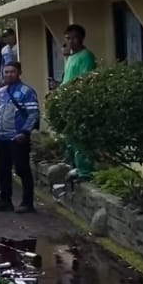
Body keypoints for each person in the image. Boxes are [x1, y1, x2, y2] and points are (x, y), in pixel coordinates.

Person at [0, 60, 40, 214]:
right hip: (1, 137)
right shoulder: (0, 92)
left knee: (22, 169)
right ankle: (5, 201)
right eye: (6, 72)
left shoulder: (27, 91)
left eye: (12, 71)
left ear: (19, 73)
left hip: (18, 137)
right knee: (2, 170)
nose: (9, 74)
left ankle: (27, 203)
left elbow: (33, 114)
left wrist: (25, 132)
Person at [61, 23, 97, 179]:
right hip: (67, 101)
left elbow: (84, 79)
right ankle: (75, 167)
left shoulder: (86, 56)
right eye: (68, 38)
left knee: (80, 138)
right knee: (70, 138)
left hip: (79, 102)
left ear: (81, 38)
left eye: (75, 38)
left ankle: (85, 171)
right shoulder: (70, 57)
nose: (71, 41)